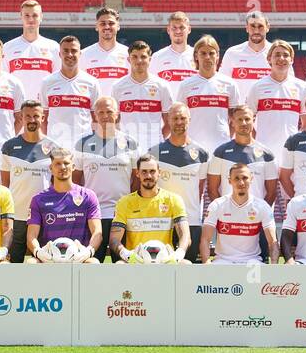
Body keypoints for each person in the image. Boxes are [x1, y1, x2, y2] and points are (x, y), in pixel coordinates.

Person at [74, 97, 139, 263]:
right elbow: (76, 182)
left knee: (123, 263)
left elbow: (136, 180)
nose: (105, 116)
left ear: (117, 114)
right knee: (92, 263)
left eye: (109, 112)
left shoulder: (130, 143)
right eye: (100, 112)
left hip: (122, 215)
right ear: (94, 115)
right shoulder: (82, 143)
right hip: (93, 215)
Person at [0, 100, 57, 265]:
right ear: (21, 118)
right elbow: (5, 185)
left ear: (43, 118)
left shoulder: (53, 147)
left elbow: (56, 185)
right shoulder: (9, 146)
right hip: (16, 216)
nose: (32, 120)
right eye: (28, 116)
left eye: (36, 116)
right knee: (13, 263)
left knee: (45, 263)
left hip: (44, 217)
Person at [153, 103, 208, 263]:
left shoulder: (201, 153)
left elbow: (200, 188)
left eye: (183, 118)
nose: (179, 122)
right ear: (168, 120)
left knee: (188, 268)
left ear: (189, 120)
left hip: (191, 221)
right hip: (162, 222)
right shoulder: (154, 151)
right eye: (175, 118)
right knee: (159, 268)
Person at [26, 146, 102, 262]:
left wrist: (88, 251)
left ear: (73, 167)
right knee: (31, 262)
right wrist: (38, 252)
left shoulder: (88, 196)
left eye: (66, 163)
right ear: (51, 168)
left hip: (78, 257)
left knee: (93, 263)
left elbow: (97, 232)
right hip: (49, 257)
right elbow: (31, 236)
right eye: (57, 164)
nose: (62, 167)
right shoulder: (38, 199)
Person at [110, 154, 191, 262]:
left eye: (152, 171)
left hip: (166, 260)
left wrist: (178, 254)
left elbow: (185, 235)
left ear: (159, 173)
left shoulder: (173, 200)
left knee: (186, 264)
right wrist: (127, 255)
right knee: (119, 266)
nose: (148, 175)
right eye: (144, 171)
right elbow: (114, 239)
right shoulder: (124, 202)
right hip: (136, 260)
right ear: (137, 173)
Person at [201, 162, 277, 264]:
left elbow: (273, 242)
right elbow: (205, 239)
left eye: (245, 178)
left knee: (259, 274)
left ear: (251, 179)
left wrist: (274, 265)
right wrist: (206, 264)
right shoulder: (217, 205)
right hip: (223, 261)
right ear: (229, 181)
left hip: (252, 261)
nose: (241, 183)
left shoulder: (262, 206)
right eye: (236, 178)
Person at [245, 40, 306, 160]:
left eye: (285, 55)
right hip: (262, 152)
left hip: (291, 151)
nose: (281, 58)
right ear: (269, 59)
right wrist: (256, 141)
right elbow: (247, 120)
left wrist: (296, 142)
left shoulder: (302, 87)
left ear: (292, 60)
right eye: (277, 55)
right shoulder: (258, 86)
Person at [176, 34, 240, 152]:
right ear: (196, 56)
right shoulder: (186, 85)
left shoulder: (229, 84)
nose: (207, 57)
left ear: (217, 56)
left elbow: (235, 119)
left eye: (211, 53)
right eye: (203, 53)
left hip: (221, 147)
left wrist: (226, 140)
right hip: (192, 148)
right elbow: (179, 118)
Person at [207, 104, 277, 203]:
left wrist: (260, 213)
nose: (244, 123)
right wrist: (223, 212)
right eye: (239, 119)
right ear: (232, 122)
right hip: (228, 217)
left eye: (247, 119)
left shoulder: (267, 155)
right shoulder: (220, 153)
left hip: (256, 216)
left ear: (253, 121)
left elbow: (272, 193)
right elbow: (212, 190)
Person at [111, 40, 172, 152]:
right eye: (134, 56)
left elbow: (169, 123)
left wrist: (157, 140)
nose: (139, 61)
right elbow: (114, 121)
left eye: (143, 57)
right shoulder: (117, 86)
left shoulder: (162, 86)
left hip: (154, 148)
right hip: (126, 148)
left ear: (150, 59)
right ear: (129, 60)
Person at [39, 34, 100, 147]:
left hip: (83, 147)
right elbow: (44, 119)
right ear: (59, 54)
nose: (70, 54)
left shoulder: (92, 82)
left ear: (80, 54)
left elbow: (96, 119)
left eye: (74, 51)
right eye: (65, 51)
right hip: (56, 147)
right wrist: (47, 144)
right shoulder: (47, 82)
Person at [3, 0, 60, 102]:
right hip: (17, 109)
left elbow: (58, 81)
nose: (31, 19)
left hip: (43, 109)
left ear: (41, 17)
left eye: (35, 15)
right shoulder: (8, 47)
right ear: (21, 16)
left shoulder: (53, 47)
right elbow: (3, 81)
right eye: (27, 15)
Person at [218, 10, 272, 98]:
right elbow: (222, 84)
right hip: (240, 110)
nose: (256, 30)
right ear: (246, 28)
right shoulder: (232, 53)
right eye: (252, 26)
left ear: (267, 27)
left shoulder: (277, 54)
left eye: (260, 26)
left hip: (267, 110)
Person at [80, 7, 129, 96]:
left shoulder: (128, 54)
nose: (107, 27)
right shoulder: (83, 54)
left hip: (120, 109)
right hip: (94, 109)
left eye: (111, 23)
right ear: (96, 26)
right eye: (103, 23)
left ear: (118, 26)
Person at [150, 10, 197, 89]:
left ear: (189, 29)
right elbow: (151, 86)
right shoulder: (157, 57)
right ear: (168, 30)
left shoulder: (197, 56)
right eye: (174, 28)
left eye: (182, 27)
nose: (178, 31)